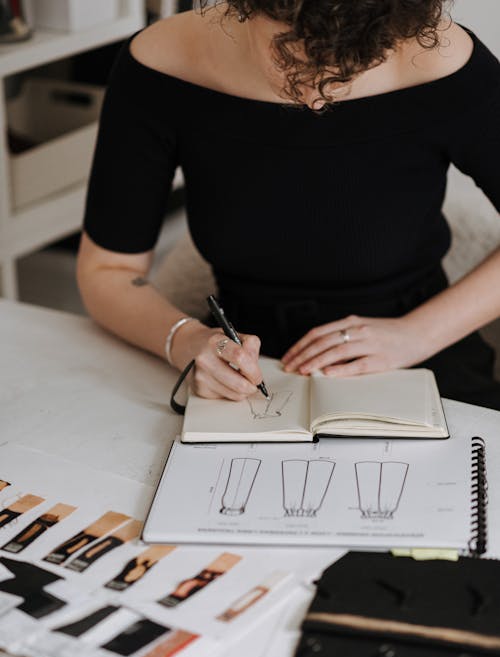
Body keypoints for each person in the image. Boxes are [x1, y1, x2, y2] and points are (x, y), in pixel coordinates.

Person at [77, 0, 500, 409]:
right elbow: (107, 270)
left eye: (349, 66)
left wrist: (417, 334)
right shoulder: (161, 66)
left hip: (421, 350)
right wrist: (186, 341)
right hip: (246, 362)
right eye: (292, 60)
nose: (318, 98)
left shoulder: (441, 63)